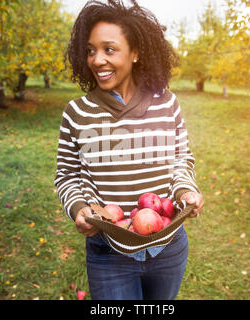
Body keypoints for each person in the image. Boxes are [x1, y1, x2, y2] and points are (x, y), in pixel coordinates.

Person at [54, 0, 204, 300]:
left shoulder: (166, 104)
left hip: (167, 246)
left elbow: (180, 160)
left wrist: (185, 191)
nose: (97, 60)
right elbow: (67, 176)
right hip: (109, 252)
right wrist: (79, 209)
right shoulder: (77, 113)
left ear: (135, 53)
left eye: (109, 49)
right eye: (90, 50)